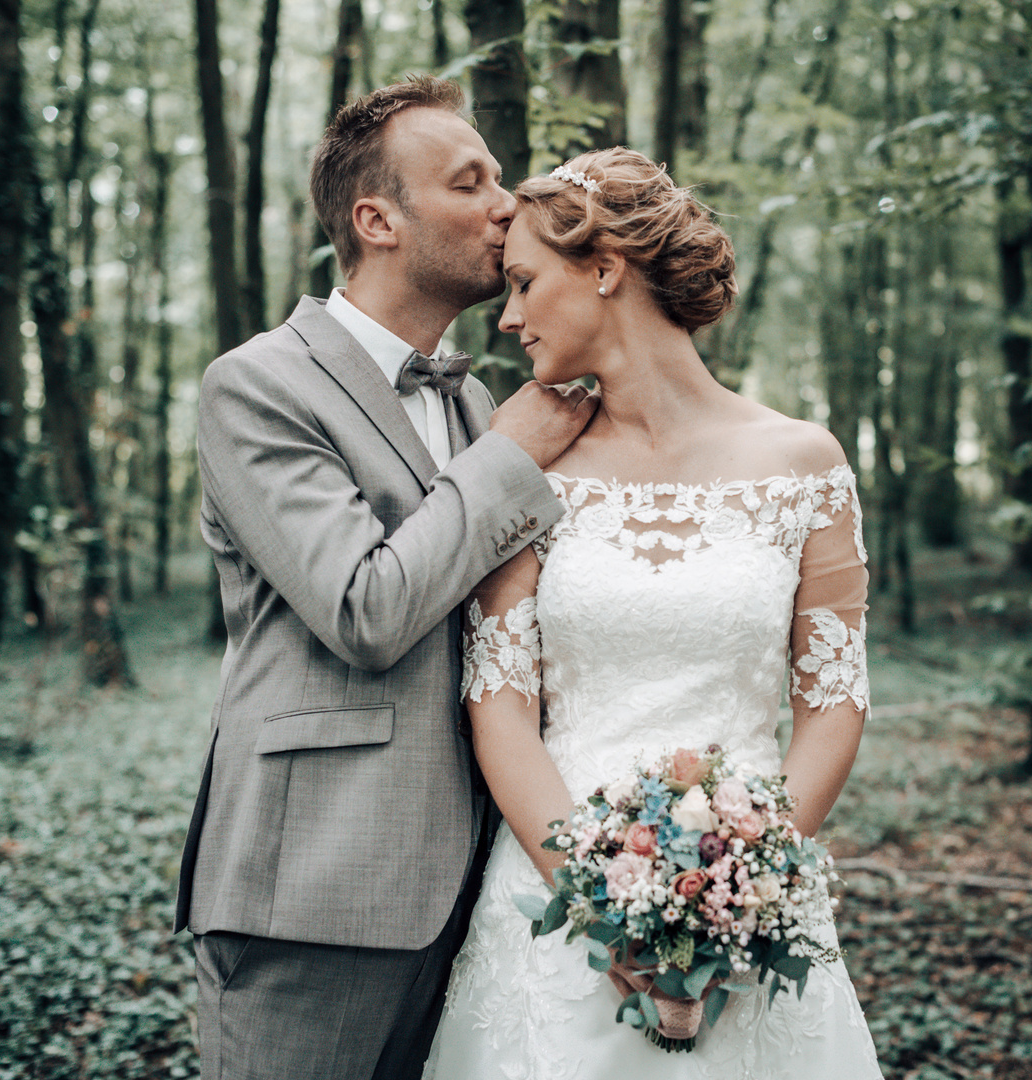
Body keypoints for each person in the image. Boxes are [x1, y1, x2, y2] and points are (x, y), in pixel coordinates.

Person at [423, 147, 882, 1078]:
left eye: (521, 284)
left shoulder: (804, 462)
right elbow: (498, 703)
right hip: (554, 906)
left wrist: (740, 891)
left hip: (752, 907)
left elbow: (834, 702)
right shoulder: (528, 467)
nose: (507, 319)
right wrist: (599, 904)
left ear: (603, 269)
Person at [175, 76, 598, 1080]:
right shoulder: (257, 384)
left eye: (499, 176)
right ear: (377, 220)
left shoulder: (479, 399)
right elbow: (364, 609)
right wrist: (513, 455)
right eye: (470, 182)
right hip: (311, 890)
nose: (508, 203)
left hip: (470, 894)